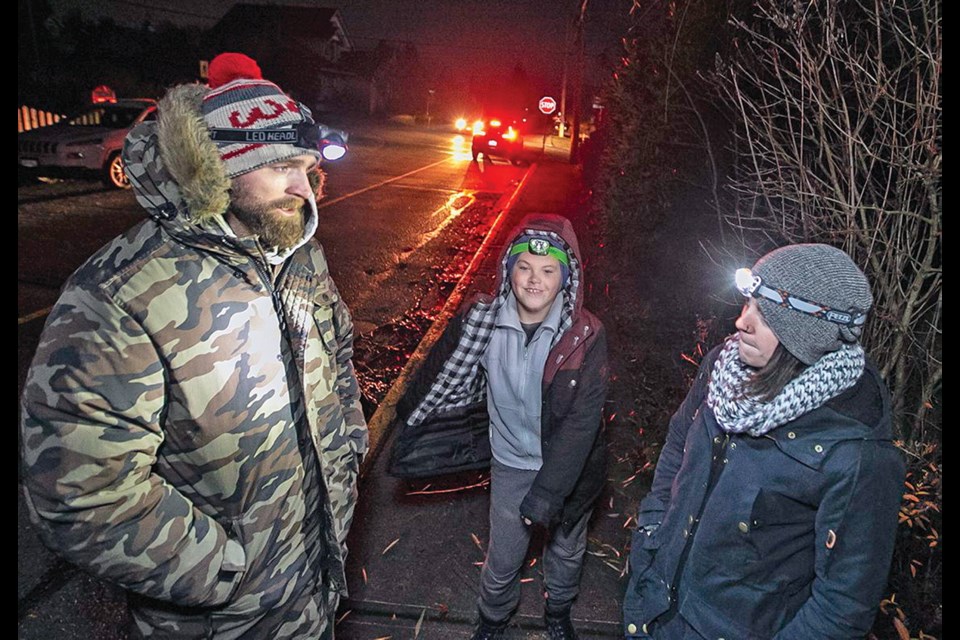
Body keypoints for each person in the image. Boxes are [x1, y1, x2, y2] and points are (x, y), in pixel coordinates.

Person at [19, 53, 367, 639]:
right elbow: (81, 492)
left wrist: (349, 457)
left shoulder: (298, 250)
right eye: (280, 167)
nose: (302, 189)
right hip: (221, 619)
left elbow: (336, 361)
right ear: (216, 170)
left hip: (316, 584)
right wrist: (230, 573)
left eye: (307, 168)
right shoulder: (121, 294)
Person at [622, 244, 905, 639]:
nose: (741, 322)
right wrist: (651, 535)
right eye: (748, 304)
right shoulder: (722, 368)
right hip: (656, 607)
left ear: (807, 334)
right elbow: (677, 445)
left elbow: (841, 608)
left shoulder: (856, 453)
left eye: (766, 315)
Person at [390, 214, 608, 640]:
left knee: (565, 550)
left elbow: (584, 422)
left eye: (548, 271)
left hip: (570, 469)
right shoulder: (482, 322)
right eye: (524, 267)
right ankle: (492, 619)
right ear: (508, 269)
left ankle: (559, 611)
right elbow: (440, 373)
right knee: (503, 557)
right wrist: (410, 421)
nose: (534, 280)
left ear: (567, 279)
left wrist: (549, 493)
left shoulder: (585, 334)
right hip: (510, 464)